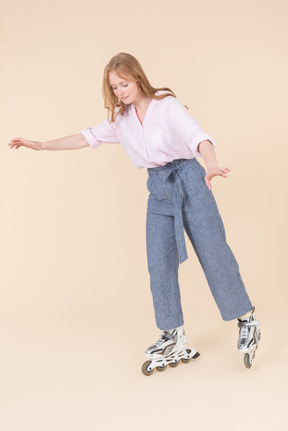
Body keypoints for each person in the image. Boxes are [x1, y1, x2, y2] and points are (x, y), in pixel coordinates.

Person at [8, 52, 261, 372]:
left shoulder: (167, 106)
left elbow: (198, 136)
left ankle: (247, 320)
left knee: (214, 253)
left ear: (138, 79)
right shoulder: (120, 120)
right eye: (113, 88)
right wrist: (41, 144)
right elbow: (86, 137)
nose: (119, 92)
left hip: (190, 180)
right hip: (159, 190)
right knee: (159, 263)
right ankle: (174, 334)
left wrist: (210, 164)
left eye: (123, 84)